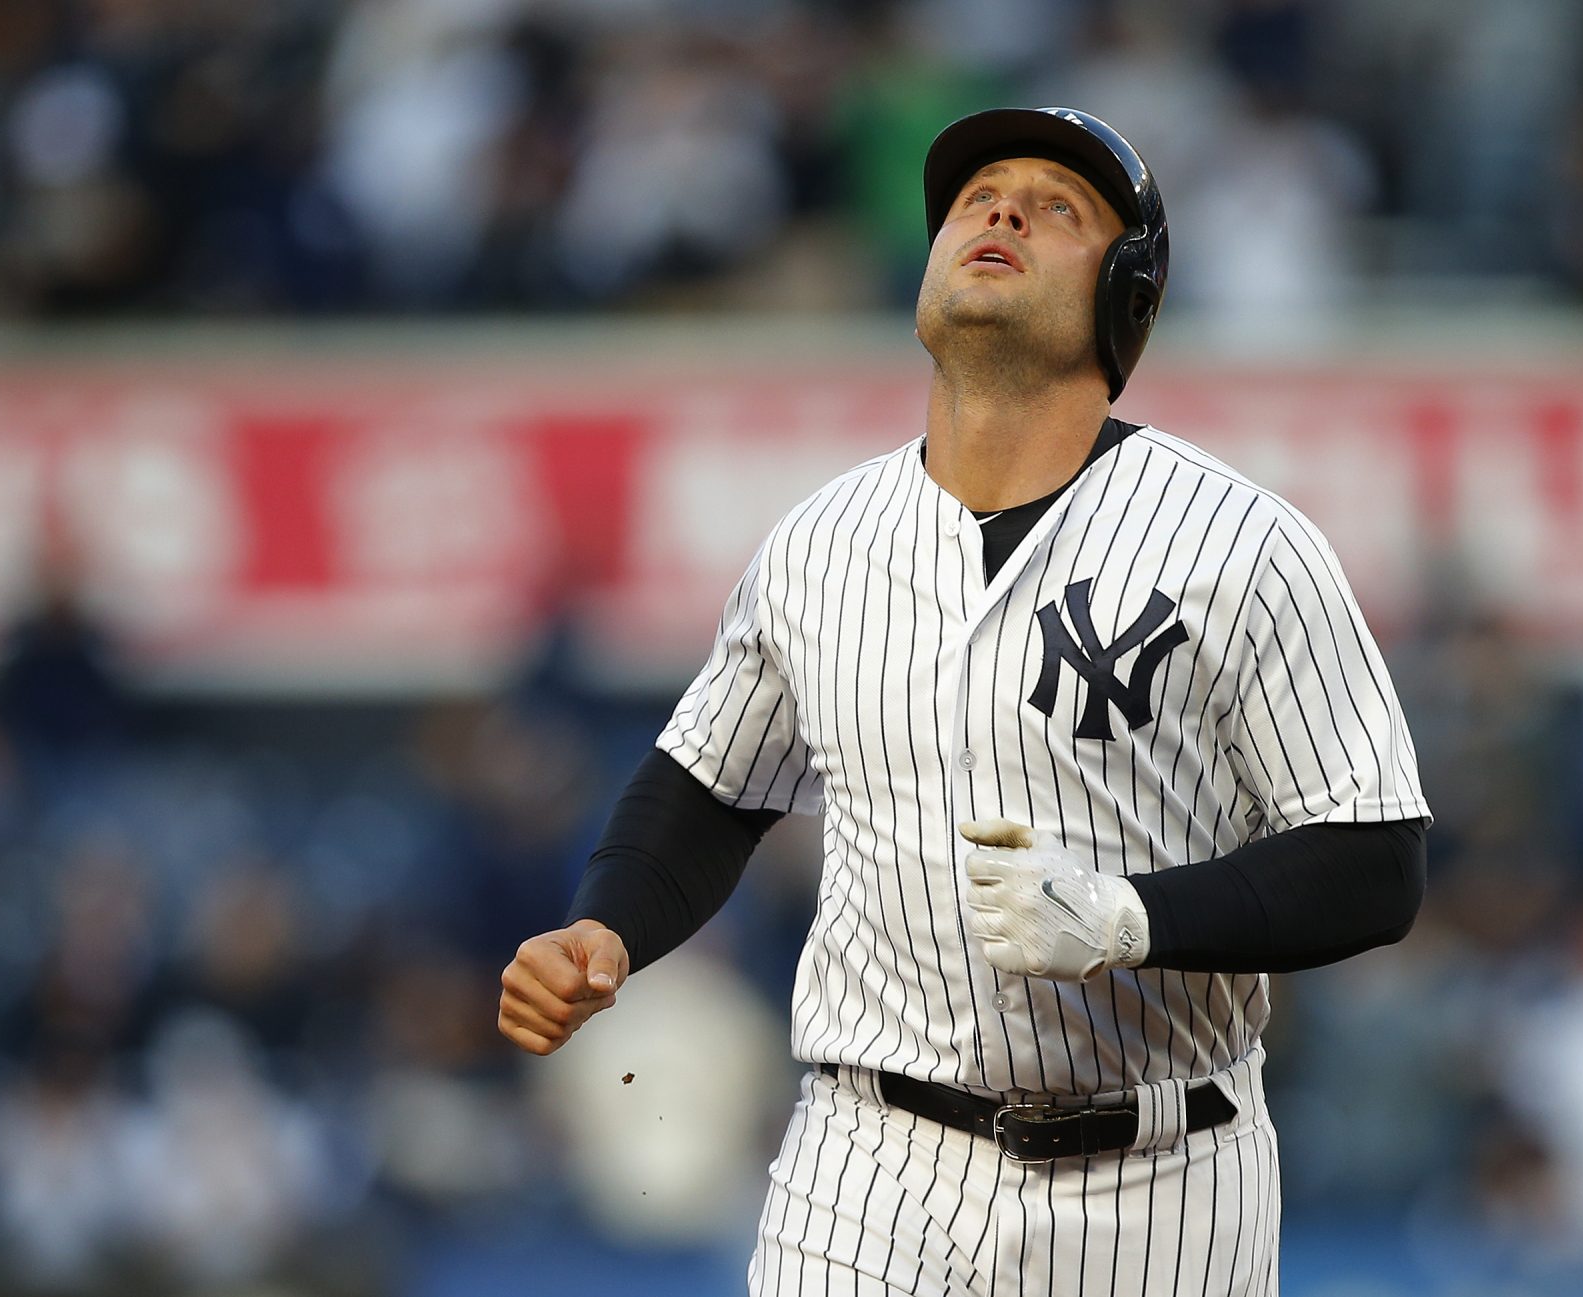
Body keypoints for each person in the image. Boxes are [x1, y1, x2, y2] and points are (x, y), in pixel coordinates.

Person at [499, 107, 1430, 1296]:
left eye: (1056, 209)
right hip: (867, 1164)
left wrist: (1121, 919)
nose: (998, 212)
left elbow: (1373, 860)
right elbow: (706, 785)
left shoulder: (1240, 543)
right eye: (978, 196)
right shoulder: (822, 542)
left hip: (1158, 1174)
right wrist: (608, 923)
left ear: (1123, 296)